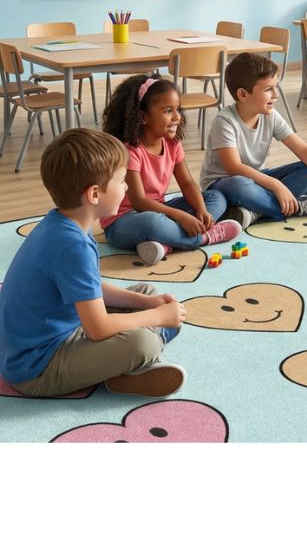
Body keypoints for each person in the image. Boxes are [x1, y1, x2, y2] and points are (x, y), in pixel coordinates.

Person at [0, 129, 187, 398]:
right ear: (95, 194)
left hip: (57, 329)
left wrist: (148, 306)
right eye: (122, 181)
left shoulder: (68, 222)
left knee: (145, 293)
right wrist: (157, 316)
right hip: (35, 367)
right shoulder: (72, 244)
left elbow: (90, 286)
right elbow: (97, 328)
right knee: (143, 342)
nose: (126, 187)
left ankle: (124, 369)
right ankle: (129, 368)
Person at [200, 52, 307, 228]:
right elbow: (234, 168)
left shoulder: (271, 115)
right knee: (240, 184)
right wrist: (277, 186)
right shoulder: (224, 121)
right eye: (268, 89)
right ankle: (295, 208)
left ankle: (256, 212)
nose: (276, 94)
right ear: (243, 95)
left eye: (276, 87)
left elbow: (304, 150)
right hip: (225, 183)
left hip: (259, 179)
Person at [101, 74, 242, 265]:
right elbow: (139, 201)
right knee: (153, 223)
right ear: (142, 117)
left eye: (178, 110)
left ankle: (166, 243)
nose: (177, 117)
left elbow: (187, 183)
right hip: (124, 221)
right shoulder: (130, 151)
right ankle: (205, 237)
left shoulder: (172, 144)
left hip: (161, 210)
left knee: (216, 198)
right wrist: (182, 216)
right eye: (168, 111)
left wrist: (201, 210)